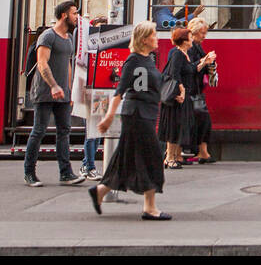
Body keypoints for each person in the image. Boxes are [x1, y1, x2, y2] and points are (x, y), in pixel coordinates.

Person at [89, 23, 171, 219]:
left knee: (127, 158)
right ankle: (149, 207)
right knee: (152, 157)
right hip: (137, 114)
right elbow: (120, 91)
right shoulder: (133, 61)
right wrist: (109, 116)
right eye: (153, 35)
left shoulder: (148, 59)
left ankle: (100, 191)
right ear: (144, 39)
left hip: (146, 114)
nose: (157, 38)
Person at [24, 0, 87, 187]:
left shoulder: (68, 38)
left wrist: (69, 90)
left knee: (64, 131)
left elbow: (68, 64)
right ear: (64, 15)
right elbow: (42, 64)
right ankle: (29, 173)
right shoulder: (47, 36)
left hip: (62, 93)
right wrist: (53, 86)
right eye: (74, 13)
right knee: (39, 131)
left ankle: (66, 173)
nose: (77, 17)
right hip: (45, 92)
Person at [71, 13, 107, 180]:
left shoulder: (104, 50)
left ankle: (89, 165)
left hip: (101, 91)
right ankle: (88, 165)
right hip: (90, 90)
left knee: (97, 131)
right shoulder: (88, 50)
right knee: (91, 132)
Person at [181, 18, 218, 164]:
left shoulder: (197, 46)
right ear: (194, 32)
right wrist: (205, 61)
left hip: (195, 90)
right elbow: (190, 68)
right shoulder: (190, 48)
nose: (204, 36)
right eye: (202, 33)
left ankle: (202, 152)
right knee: (199, 120)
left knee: (202, 121)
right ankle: (197, 152)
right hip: (190, 90)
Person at [159, 27, 193, 168]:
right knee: (173, 128)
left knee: (176, 127)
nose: (192, 40)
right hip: (175, 98)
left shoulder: (183, 54)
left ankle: (171, 157)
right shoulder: (177, 54)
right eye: (190, 37)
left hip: (178, 97)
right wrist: (181, 91)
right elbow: (174, 73)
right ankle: (169, 158)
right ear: (184, 41)